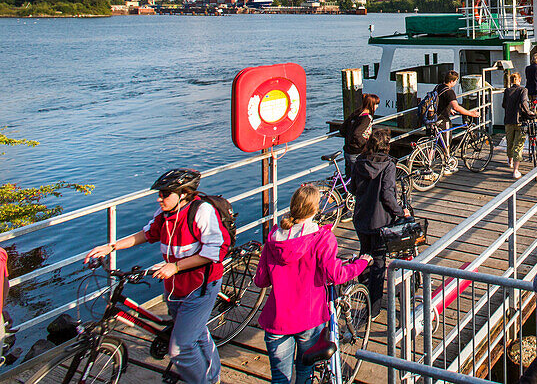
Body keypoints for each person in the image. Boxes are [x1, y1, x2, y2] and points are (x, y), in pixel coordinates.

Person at [84, 169, 230, 384]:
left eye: (164, 194)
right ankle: (212, 376)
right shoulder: (166, 215)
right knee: (196, 334)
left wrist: (176, 267)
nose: (159, 198)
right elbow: (147, 234)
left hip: (201, 287)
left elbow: (216, 251)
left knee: (181, 349)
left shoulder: (202, 211)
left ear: (183, 194)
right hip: (175, 287)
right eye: (159, 194)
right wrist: (111, 247)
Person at [253, 184, 369, 384]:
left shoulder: (273, 238)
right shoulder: (321, 238)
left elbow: (260, 280)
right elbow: (336, 275)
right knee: (305, 372)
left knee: (279, 379)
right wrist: (362, 263)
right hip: (309, 316)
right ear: (315, 210)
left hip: (277, 318)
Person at [349, 127, 411, 313]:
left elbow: (352, 188)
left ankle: (363, 291)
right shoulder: (389, 165)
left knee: (364, 255)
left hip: (361, 217)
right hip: (380, 221)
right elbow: (387, 194)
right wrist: (401, 212)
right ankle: (374, 307)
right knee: (378, 262)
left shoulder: (359, 162)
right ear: (386, 146)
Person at [432, 70, 481, 175]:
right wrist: (470, 113)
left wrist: (449, 109)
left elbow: (440, 102)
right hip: (443, 120)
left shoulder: (438, 87)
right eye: (456, 81)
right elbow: (456, 106)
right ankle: (446, 167)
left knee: (434, 144)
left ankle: (431, 166)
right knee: (446, 144)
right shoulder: (450, 92)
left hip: (433, 119)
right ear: (452, 81)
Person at [502, 72, 535, 179]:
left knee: (509, 142)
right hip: (520, 120)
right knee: (518, 145)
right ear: (520, 80)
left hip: (508, 119)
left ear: (511, 81)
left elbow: (504, 105)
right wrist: (529, 112)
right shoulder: (523, 90)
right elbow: (524, 102)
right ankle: (515, 170)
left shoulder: (507, 91)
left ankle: (510, 160)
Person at [340, 93, 380, 177]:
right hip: (357, 151)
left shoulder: (356, 114)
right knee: (359, 177)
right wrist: (365, 144)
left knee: (349, 176)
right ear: (371, 104)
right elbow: (357, 134)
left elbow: (342, 130)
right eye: (376, 104)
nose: (377, 107)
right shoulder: (366, 118)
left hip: (348, 149)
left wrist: (348, 138)